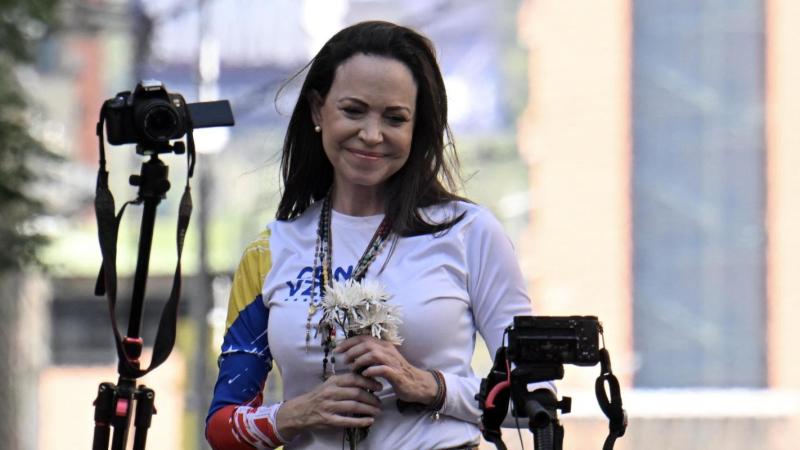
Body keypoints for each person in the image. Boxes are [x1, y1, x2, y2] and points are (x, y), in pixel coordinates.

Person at [205, 20, 543, 450]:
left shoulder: (470, 232)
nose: (371, 134)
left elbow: (535, 399)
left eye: (395, 118)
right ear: (317, 110)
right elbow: (222, 427)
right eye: (353, 110)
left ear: (416, 128)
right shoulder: (269, 251)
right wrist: (297, 413)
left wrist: (430, 386)